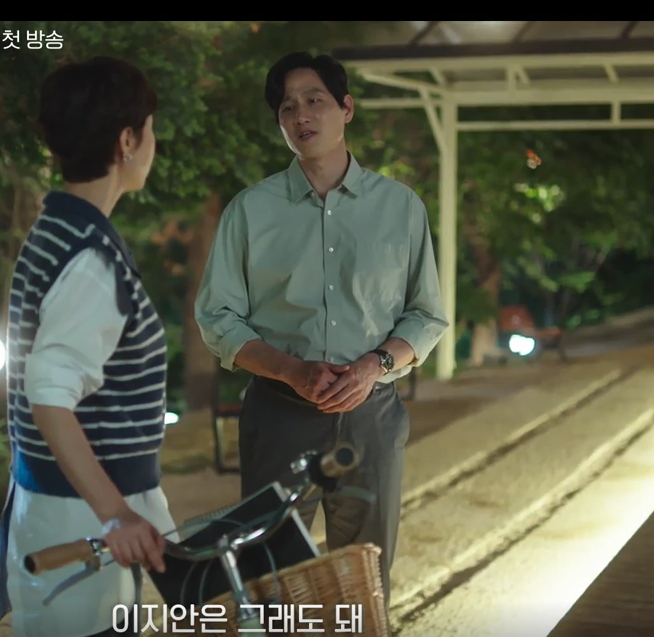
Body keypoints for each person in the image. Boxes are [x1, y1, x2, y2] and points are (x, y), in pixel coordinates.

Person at [193, 51, 450, 607]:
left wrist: (373, 366)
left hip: (371, 418)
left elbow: (426, 314)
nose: (301, 115)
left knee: (365, 581)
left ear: (346, 108)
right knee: (270, 581)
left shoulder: (401, 207)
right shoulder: (250, 211)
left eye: (315, 101)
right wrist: (291, 370)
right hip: (278, 415)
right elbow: (217, 316)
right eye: (287, 108)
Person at [0, 56, 176, 637]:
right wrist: (116, 514)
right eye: (149, 129)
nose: (153, 143)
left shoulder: (59, 230)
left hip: (66, 510)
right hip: (81, 526)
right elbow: (49, 396)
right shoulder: (90, 259)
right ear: (127, 141)